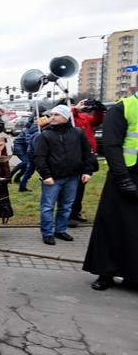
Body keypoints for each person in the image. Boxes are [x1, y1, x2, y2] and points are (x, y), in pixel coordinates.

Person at [82, 92, 138, 291]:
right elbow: (111, 144)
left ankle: (133, 275)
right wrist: (123, 178)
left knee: (134, 230)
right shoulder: (123, 107)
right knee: (111, 225)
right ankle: (105, 273)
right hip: (124, 174)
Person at [33, 104, 97, 245]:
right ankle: (47, 233)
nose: (52, 117)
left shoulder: (78, 133)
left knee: (66, 206)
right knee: (48, 207)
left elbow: (87, 153)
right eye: (52, 115)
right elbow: (39, 157)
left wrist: (87, 171)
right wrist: (46, 175)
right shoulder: (45, 135)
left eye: (57, 115)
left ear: (66, 117)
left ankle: (60, 230)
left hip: (73, 178)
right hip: (53, 179)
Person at [68, 99, 106, 224]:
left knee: (80, 188)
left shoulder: (84, 117)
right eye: (72, 104)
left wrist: (98, 109)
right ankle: (68, 214)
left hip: (86, 157)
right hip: (73, 157)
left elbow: (97, 121)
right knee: (71, 188)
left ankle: (75, 212)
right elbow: (66, 118)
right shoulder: (69, 117)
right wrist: (75, 109)